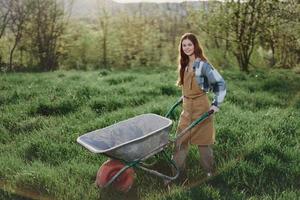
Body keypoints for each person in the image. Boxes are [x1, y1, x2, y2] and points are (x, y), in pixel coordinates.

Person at [171, 32, 226, 183]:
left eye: (190, 44)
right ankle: (177, 173)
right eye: (184, 45)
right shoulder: (184, 64)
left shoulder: (203, 65)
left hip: (202, 107)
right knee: (180, 141)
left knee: (204, 144)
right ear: (181, 48)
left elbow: (220, 84)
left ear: (195, 46)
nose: (187, 48)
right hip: (187, 108)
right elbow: (187, 85)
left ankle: (209, 174)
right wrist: (185, 95)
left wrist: (216, 104)